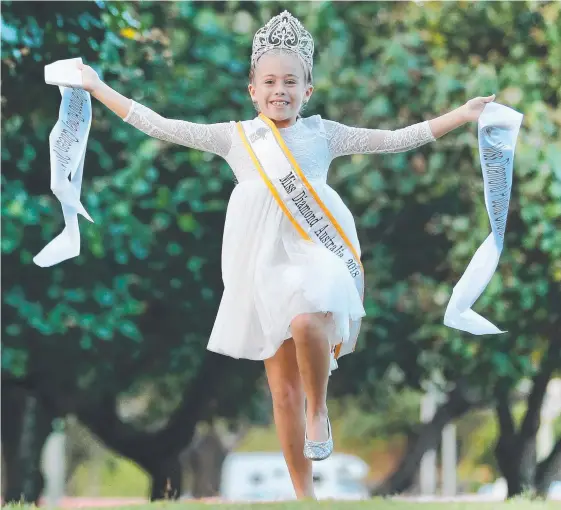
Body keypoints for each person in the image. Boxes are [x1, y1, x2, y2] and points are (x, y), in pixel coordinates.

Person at [77, 10, 495, 500]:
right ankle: (305, 495)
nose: (281, 90)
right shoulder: (236, 137)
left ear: (308, 90)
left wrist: (462, 115)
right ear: (252, 89)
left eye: (291, 81)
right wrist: (97, 86)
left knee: (308, 316)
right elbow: (160, 125)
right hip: (258, 262)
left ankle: (320, 410)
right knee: (281, 389)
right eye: (270, 81)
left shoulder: (325, 134)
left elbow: (395, 140)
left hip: (316, 247)